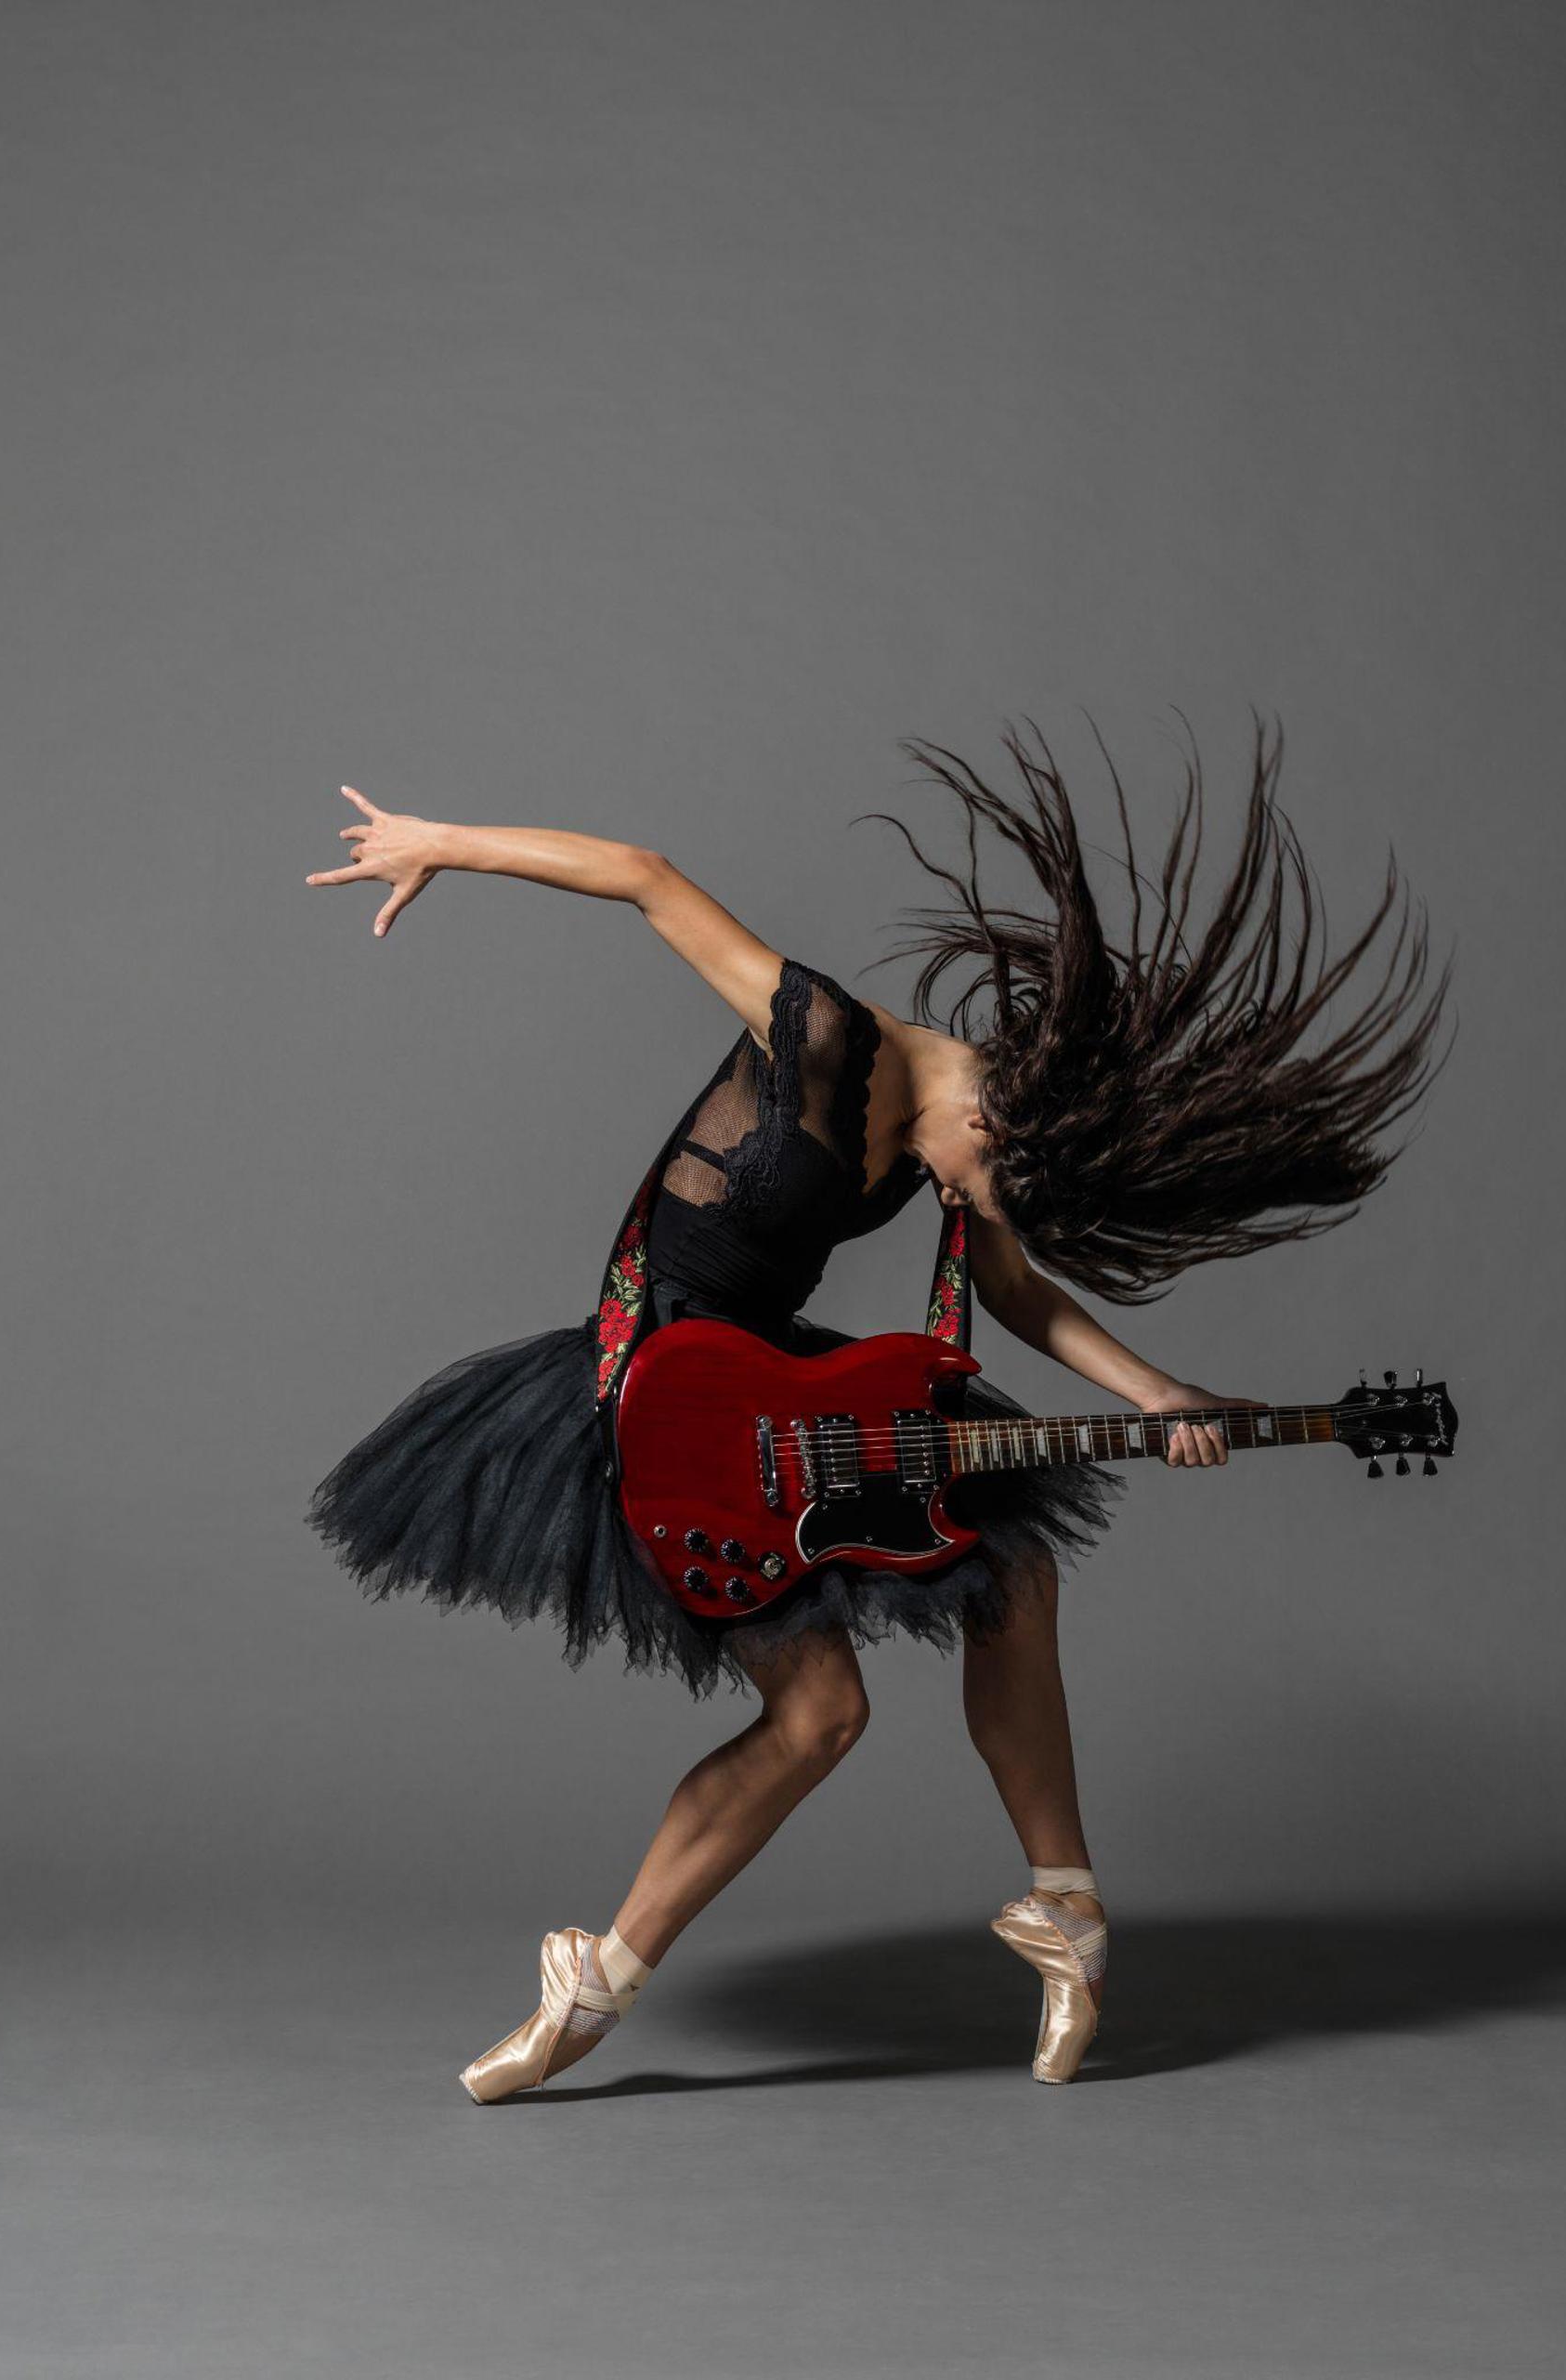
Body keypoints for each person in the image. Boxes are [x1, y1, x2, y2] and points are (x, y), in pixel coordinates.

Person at [303, 714, 1452, 2096]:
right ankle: (592, 1989)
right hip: (663, 1390)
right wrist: (441, 843)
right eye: (994, 1179)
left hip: (784, 1390)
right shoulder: (824, 1034)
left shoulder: (956, 1148)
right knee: (822, 1714)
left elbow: (1020, 1296)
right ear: (992, 1105)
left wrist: (1167, 1395)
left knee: (1013, 1566)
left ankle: (1067, 1911)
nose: (980, 1204)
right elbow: (645, 874)